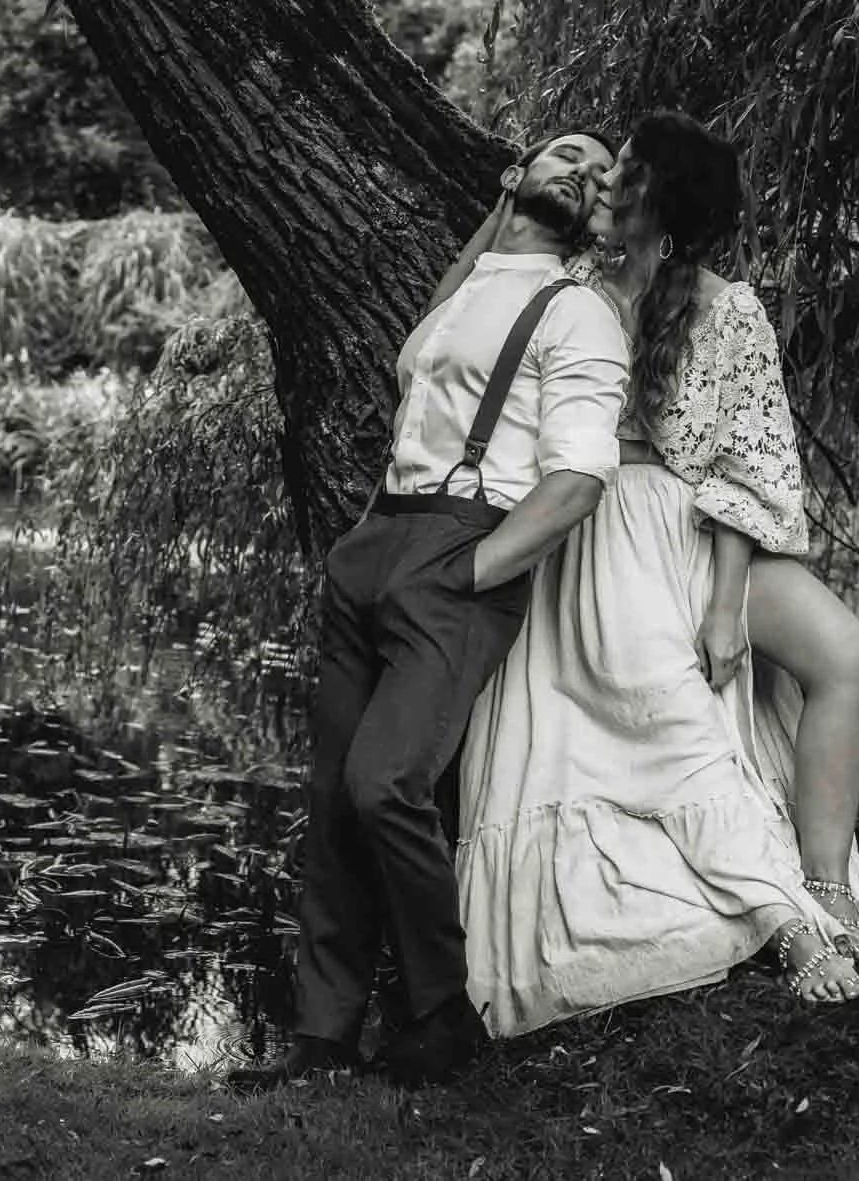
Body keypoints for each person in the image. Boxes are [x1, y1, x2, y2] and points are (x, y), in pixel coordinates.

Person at [450, 110, 859, 1039]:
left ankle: (822, 875)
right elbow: (458, 306)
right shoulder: (565, 282)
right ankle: (775, 907)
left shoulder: (727, 308)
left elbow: (746, 466)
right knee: (660, 701)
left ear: (658, 193)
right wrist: (499, 206)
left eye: (624, 166)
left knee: (848, 654)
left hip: (700, 530)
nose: (608, 178)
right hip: (590, 527)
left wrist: (726, 605)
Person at [227, 129, 630, 1091]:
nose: (587, 172)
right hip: (376, 544)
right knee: (331, 801)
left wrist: (470, 571)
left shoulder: (579, 313)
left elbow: (578, 478)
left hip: (460, 550)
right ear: (515, 174)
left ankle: (442, 1010)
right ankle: (321, 1034)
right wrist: (358, 553)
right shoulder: (459, 297)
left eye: (605, 174)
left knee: (384, 784)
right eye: (569, 153)